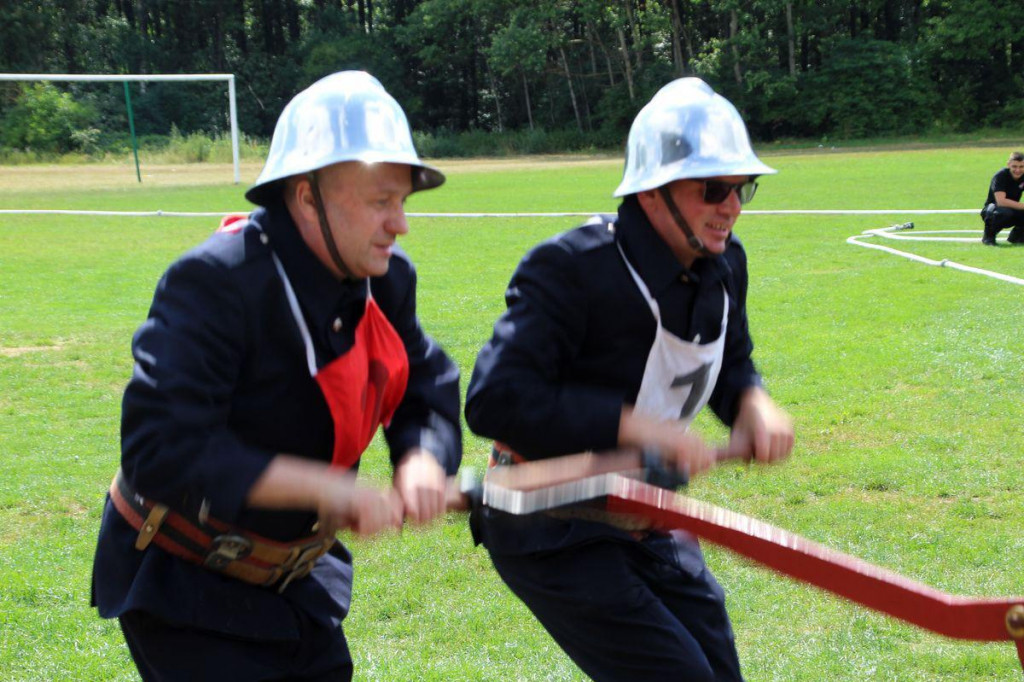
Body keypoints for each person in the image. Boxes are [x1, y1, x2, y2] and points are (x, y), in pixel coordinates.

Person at [91, 71, 462, 681]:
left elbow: (426, 386)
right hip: (188, 588)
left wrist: (422, 458)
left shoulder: (387, 282)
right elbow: (161, 447)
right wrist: (320, 487)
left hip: (295, 582)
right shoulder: (215, 281)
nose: (400, 224)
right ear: (305, 195)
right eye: (378, 201)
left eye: (402, 200)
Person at [464, 77, 794, 682]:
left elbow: (731, 357)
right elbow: (494, 400)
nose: (733, 206)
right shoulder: (570, 268)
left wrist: (752, 402)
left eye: (743, 188)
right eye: (713, 189)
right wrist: (636, 428)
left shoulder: (726, 266)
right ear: (651, 193)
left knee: (720, 670)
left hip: (647, 515)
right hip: (550, 524)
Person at [980, 151, 1024, 245]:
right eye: (1014, 166)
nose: (1018, 170)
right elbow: (1001, 201)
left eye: (1021, 167)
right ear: (1008, 164)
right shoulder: (1001, 176)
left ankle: (1017, 237)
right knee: (1003, 213)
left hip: (1012, 209)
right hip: (993, 209)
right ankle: (989, 237)